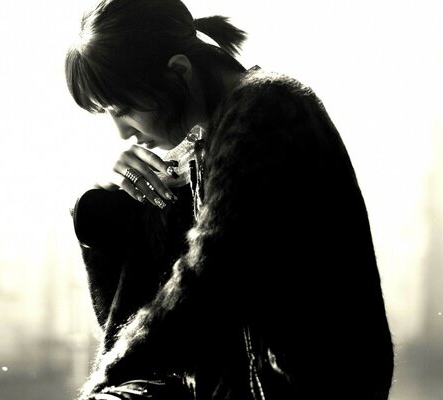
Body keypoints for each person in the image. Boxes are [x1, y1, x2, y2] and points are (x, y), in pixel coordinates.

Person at [65, 0, 395, 399]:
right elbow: (129, 312)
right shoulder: (206, 140)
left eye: (125, 109)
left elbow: (205, 282)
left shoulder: (267, 107)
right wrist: (106, 202)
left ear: (180, 72)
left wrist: (107, 376)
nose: (123, 133)